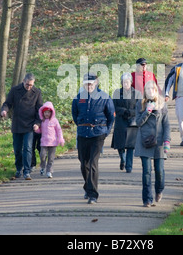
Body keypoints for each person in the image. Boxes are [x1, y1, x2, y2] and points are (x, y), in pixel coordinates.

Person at [71, 73, 115, 204]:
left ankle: (93, 194)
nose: (89, 85)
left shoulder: (105, 97)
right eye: (86, 83)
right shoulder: (78, 98)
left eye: (91, 83)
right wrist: (81, 126)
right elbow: (75, 115)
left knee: (93, 163)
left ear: (96, 83)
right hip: (83, 133)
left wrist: (105, 132)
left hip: (98, 134)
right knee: (83, 163)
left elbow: (111, 117)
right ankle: (88, 186)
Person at [134, 80, 170, 207]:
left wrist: (167, 140)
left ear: (156, 90)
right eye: (147, 89)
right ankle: (147, 199)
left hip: (159, 142)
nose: (150, 91)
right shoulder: (140, 104)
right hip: (145, 142)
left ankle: (159, 190)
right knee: (147, 172)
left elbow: (166, 124)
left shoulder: (162, 104)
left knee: (159, 171)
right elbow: (138, 122)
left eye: (152, 89)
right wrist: (147, 112)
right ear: (145, 91)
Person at [1, 73, 43, 180]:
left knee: (28, 148)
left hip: (30, 125)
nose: (29, 87)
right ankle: (19, 168)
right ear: (23, 81)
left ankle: (27, 171)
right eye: (27, 84)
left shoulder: (37, 92)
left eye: (31, 85)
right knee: (17, 149)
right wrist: (4, 110)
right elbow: (7, 103)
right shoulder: (15, 90)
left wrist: (37, 123)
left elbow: (40, 110)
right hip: (17, 124)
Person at [111, 73, 141, 173]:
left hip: (132, 121)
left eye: (127, 82)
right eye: (124, 82)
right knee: (120, 144)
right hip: (120, 120)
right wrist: (123, 111)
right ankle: (122, 159)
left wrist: (131, 112)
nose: (126, 84)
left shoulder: (137, 93)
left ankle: (129, 166)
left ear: (131, 82)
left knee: (130, 145)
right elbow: (113, 106)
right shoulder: (116, 93)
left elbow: (140, 107)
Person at [35, 101, 65, 178]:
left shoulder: (55, 121)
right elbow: (40, 131)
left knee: (51, 158)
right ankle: (42, 167)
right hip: (44, 142)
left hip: (53, 142)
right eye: (45, 112)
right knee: (42, 156)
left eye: (48, 112)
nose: (47, 114)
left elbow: (59, 130)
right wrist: (36, 129)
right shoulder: (42, 121)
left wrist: (60, 139)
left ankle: (49, 171)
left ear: (52, 113)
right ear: (43, 113)